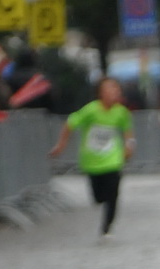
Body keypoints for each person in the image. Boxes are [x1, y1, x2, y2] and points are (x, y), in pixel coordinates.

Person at [49, 78, 135, 240]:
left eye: (116, 89)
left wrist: (129, 146)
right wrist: (61, 145)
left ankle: (107, 228)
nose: (114, 93)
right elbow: (70, 123)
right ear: (100, 93)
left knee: (113, 193)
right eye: (110, 89)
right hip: (92, 162)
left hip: (113, 160)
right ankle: (102, 204)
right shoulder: (91, 110)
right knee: (98, 197)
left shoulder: (121, 112)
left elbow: (127, 132)